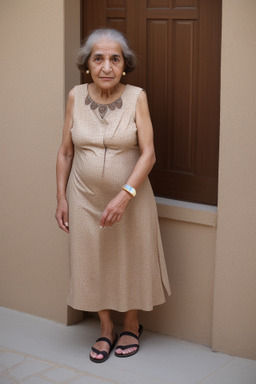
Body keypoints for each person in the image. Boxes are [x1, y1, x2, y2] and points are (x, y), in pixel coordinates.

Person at [55, 28, 171, 363]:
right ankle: (106, 329)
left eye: (114, 59)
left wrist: (124, 195)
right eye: (99, 58)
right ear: (88, 65)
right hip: (83, 198)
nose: (107, 66)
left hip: (131, 199)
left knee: (130, 259)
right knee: (91, 261)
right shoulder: (75, 96)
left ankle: (131, 325)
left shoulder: (137, 97)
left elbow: (148, 154)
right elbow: (65, 152)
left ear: (124, 66)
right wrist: (61, 197)